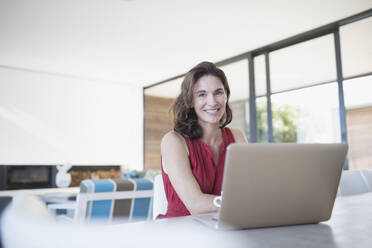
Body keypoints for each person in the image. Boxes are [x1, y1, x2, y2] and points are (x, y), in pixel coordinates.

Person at [157, 61, 247, 219]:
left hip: (225, 227)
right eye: (202, 94)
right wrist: (243, 203)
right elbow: (196, 205)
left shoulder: (237, 136)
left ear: (226, 95)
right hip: (180, 233)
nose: (212, 102)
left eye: (218, 92)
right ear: (190, 101)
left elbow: (251, 186)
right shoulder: (173, 141)